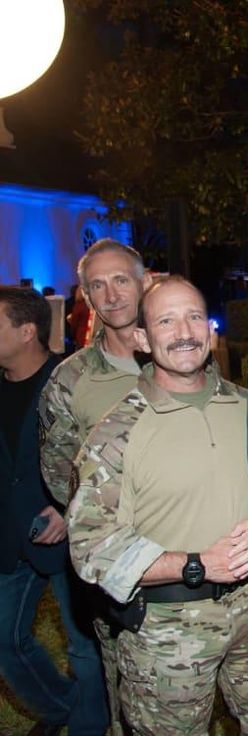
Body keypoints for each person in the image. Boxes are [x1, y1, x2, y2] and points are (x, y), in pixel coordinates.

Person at [68, 276, 248, 735]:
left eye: (194, 317)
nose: (185, 332)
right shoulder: (116, 435)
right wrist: (195, 565)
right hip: (167, 634)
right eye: (166, 321)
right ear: (142, 339)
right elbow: (91, 549)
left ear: (210, 331)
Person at [39, 238, 151, 736]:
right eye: (97, 285)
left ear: (144, 282)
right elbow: (59, 468)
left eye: (121, 280)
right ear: (85, 294)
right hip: (118, 560)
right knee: (124, 686)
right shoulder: (72, 378)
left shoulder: (186, 352)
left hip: (196, 548)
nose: (111, 295)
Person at [0, 287, 109, 736]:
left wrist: (69, 506)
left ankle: (90, 725)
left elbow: (102, 455)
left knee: (84, 648)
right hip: (9, 537)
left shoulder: (71, 380)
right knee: (6, 641)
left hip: (68, 538)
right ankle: (60, 706)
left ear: (28, 331)